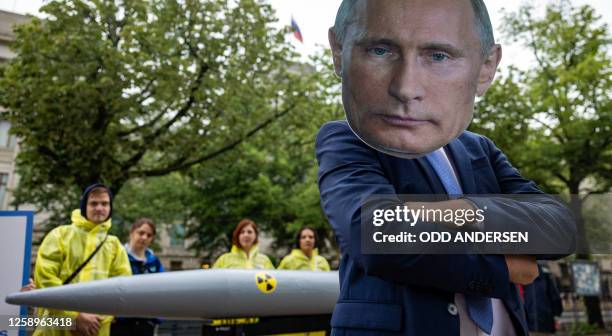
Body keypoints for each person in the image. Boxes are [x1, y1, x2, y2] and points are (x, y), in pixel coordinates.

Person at [316, 0, 576, 335]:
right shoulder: (346, 138)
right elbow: (376, 236)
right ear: (339, 52)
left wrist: (460, 210)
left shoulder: (480, 149)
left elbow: (559, 227)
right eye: (381, 50)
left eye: (438, 56)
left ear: (485, 68)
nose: (406, 88)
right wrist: (503, 265)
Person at [34, 183, 131, 336]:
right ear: (84, 206)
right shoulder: (59, 235)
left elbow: (122, 288)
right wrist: (73, 317)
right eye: (93, 203)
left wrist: (96, 319)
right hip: (55, 329)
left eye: (104, 203)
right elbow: (45, 279)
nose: (99, 208)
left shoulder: (115, 246)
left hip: (96, 329)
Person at [111, 218, 164, 336]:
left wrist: (155, 319)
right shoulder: (118, 257)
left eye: (149, 235)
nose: (144, 237)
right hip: (120, 322)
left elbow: (162, 291)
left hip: (146, 323)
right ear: (132, 233)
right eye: (141, 233)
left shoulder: (155, 262)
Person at [523, 263, 563, 336]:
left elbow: (555, 297)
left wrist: (557, 316)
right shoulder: (522, 277)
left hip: (543, 323)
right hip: (531, 324)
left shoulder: (545, 276)